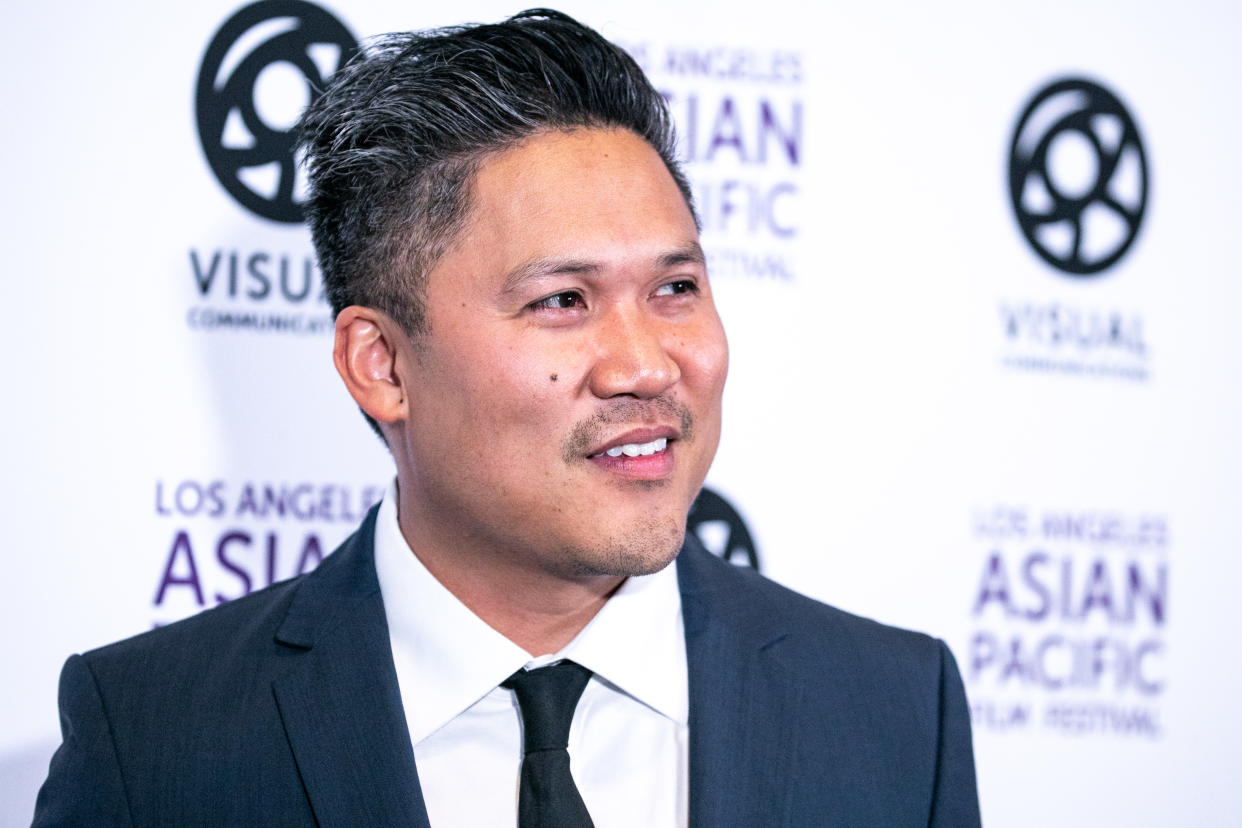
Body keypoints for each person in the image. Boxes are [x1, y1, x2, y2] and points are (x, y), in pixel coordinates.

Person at [33, 9, 980, 827]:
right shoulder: (154, 740)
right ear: (383, 365)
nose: (647, 364)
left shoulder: (894, 714)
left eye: (677, 287)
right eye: (563, 301)